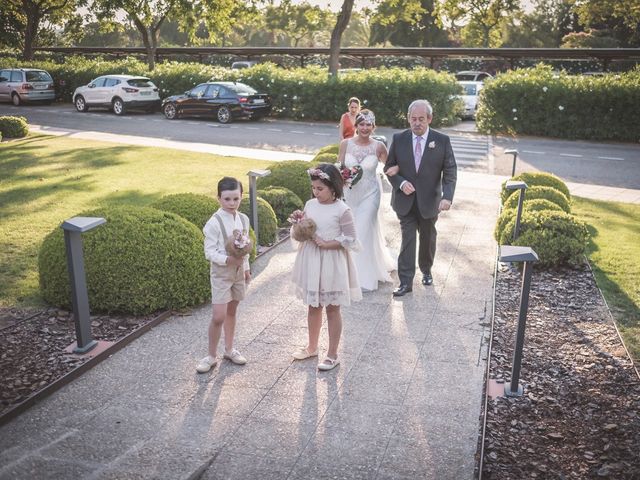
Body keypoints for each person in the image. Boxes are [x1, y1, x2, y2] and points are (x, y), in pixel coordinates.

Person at [290, 163, 362, 371]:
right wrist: (299, 226)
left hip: (332, 261)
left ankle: (332, 353)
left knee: (332, 308)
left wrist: (328, 243)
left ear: (333, 187)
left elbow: (351, 239)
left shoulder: (342, 210)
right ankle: (312, 346)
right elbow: (303, 230)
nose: (316, 192)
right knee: (313, 306)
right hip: (312, 259)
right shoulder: (310, 205)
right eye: (314, 188)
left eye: (320, 188)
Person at [384, 99, 457, 297]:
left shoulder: (441, 140)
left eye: (421, 119)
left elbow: (450, 171)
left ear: (429, 119)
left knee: (427, 238)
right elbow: (388, 168)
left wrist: (447, 197)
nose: (417, 123)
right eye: (413, 119)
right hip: (404, 201)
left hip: (430, 201)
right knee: (408, 239)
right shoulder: (399, 139)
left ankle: (426, 270)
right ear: (408, 119)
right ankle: (405, 281)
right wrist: (400, 182)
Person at [197, 177, 252, 373]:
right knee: (219, 315)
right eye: (227, 199)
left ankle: (229, 349)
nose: (232, 203)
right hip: (221, 272)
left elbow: (244, 247)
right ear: (219, 198)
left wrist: (245, 267)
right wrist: (228, 260)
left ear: (241, 197)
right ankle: (211, 355)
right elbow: (209, 252)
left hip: (238, 273)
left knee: (232, 310)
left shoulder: (243, 219)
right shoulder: (214, 223)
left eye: (236, 199)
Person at [338, 109, 396, 291]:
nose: (365, 128)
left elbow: (390, 167)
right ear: (356, 126)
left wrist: (397, 172)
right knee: (350, 231)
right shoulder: (345, 144)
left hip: (370, 194)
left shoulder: (379, 147)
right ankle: (345, 271)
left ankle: (360, 277)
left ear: (373, 126)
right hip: (349, 195)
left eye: (368, 125)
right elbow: (339, 167)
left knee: (361, 229)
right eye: (361, 124)